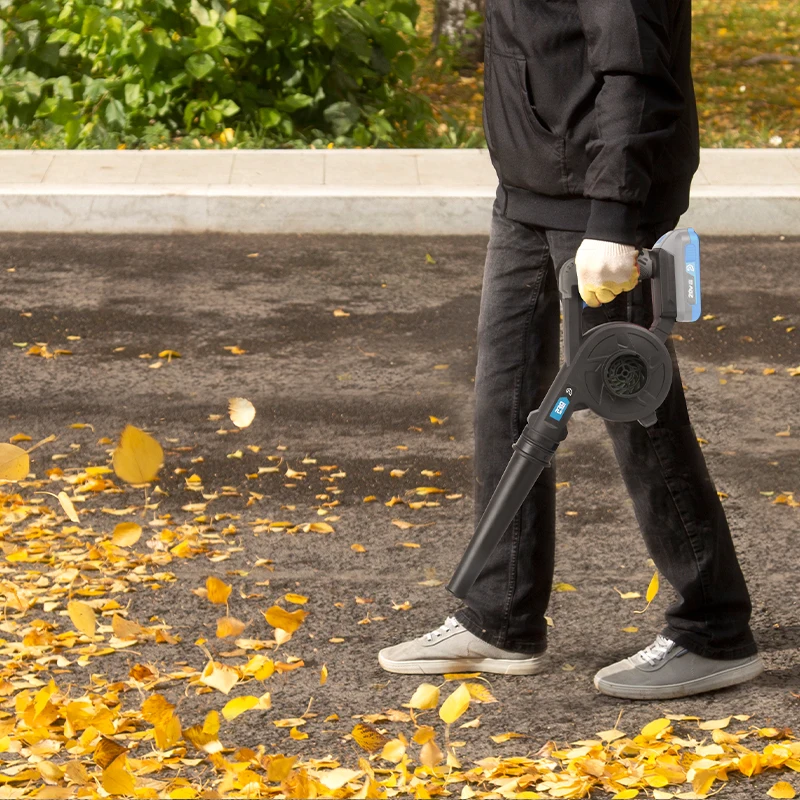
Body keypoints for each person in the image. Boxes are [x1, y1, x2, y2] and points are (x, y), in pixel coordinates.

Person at [378, 0, 763, 699]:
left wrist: (614, 222)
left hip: (600, 202)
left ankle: (714, 629)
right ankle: (500, 616)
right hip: (527, 193)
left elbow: (635, 71)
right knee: (503, 401)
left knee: (635, 409)